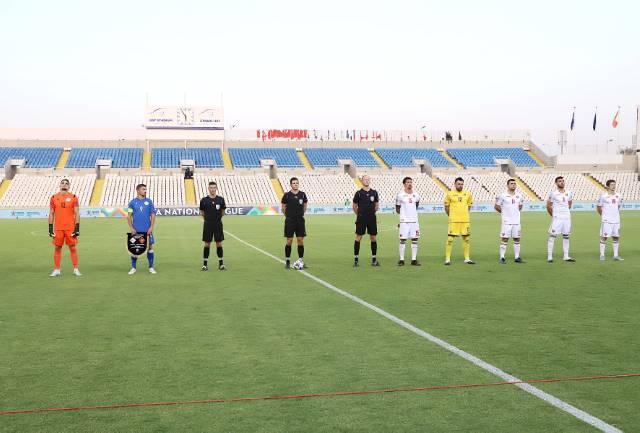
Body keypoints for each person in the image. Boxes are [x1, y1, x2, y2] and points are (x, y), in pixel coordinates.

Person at [48, 178, 81, 277]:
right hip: (58, 228)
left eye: (66, 183)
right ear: (60, 185)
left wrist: (77, 228)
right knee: (57, 248)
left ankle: (76, 269)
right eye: (62, 183)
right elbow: (51, 213)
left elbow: (77, 213)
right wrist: (50, 228)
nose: (64, 184)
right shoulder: (54, 197)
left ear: (69, 186)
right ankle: (57, 269)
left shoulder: (73, 197)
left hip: (70, 228)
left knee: (73, 248)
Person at [127, 183, 157, 274]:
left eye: (145, 189)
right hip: (136, 230)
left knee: (150, 248)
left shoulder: (149, 201)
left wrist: (151, 227)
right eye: (143, 189)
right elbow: (128, 216)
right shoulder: (132, 202)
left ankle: (151, 267)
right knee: (134, 249)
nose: (145, 191)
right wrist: (131, 228)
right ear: (138, 190)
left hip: (147, 230)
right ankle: (133, 268)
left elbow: (153, 215)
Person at [444, 177, 474, 265]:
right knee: (450, 239)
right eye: (459, 184)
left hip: (465, 220)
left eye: (462, 184)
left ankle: (467, 259)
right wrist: (451, 216)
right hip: (454, 220)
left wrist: (464, 215)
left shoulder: (468, 194)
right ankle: (447, 259)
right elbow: (446, 207)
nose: (460, 185)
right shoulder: (450, 194)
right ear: (455, 184)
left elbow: (469, 206)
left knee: (466, 239)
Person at [494, 178, 525, 263]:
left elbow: (520, 206)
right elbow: (496, 206)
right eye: (511, 183)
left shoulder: (519, 196)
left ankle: (517, 257)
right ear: (507, 185)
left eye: (514, 184)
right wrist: (504, 213)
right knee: (505, 239)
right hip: (506, 221)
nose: (513, 185)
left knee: (517, 239)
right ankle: (502, 257)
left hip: (516, 221)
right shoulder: (502, 195)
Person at [352, 175, 380, 267]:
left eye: (368, 179)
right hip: (361, 218)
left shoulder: (374, 192)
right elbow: (354, 206)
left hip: (372, 218)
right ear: (362, 181)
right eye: (365, 179)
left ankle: (374, 259)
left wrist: (372, 213)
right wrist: (359, 215)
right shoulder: (358, 193)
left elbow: (376, 205)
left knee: (373, 237)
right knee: (358, 237)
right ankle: (356, 260)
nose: (367, 181)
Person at [281, 177, 308, 269]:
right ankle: (287, 261)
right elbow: (283, 207)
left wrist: (301, 213)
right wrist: (288, 216)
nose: (295, 184)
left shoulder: (303, 194)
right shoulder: (287, 195)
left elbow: (305, 205)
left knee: (300, 240)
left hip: (300, 221)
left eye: (297, 183)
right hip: (290, 221)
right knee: (289, 241)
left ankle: (301, 261)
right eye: (294, 183)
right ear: (291, 184)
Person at [546, 176, 575, 262]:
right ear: (556, 183)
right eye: (559, 181)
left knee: (566, 236)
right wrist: (553, 215)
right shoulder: (553, 193)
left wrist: (565, 212)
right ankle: (550, 257)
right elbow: (548, 206)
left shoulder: (569, 193)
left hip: (567, 218)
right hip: (557, 218)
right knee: (552, 236)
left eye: (563, 181)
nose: (562, 182)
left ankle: (566, 256)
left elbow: (570, 203)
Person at [200, 181, 227, 271]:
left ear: (216, 188)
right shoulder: (204, 200)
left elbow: (223, 212)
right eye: (211, 188)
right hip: (208, 224)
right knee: (207, 244)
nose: (212, 189)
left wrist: (217, 219)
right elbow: (202, 212)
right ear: (208, 189)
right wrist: (208, 220)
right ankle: (205, 265)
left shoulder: (220, 199)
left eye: (214, 188)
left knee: (219, 243)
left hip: (218, 224)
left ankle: (221, 264)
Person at [395, 177, 421, 266]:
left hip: (414, 221)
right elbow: (397, 208)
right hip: (404, 221)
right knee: (402, 239)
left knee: (415, 239)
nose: (410, 183)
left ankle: (414, 260)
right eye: (408, 182)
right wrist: (403, 216)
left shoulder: (416, 195)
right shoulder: (400, 195)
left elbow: (416, 206)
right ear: (404, 184)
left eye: (411, 182)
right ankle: (401, 260)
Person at [597, 179, 623, 261]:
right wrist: (603, 216)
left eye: (614, 184)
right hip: (606, 220)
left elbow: (618, 206)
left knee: (616, 237)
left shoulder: (619, 195)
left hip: (616, 220)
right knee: (604, 237)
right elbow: (598, 207)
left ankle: (615, 255)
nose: (614, 186)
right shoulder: (603, 196)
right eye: (612, 184)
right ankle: (602, 255)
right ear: (607, 186)